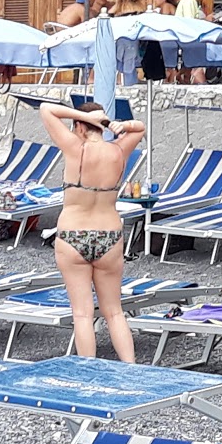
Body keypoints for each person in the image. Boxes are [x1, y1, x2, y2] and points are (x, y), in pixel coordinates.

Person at [38, 100, 146, 361]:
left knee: (82, 314)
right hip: (109, 235)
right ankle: (131, 369)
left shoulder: (76, 148)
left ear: (79, 126)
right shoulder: (119, 151)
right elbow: (140, 129)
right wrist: (115, 123)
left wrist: (87, 117)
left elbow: (45, 109)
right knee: (115, 312)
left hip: (73, 234)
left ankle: (88, 372)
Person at [174, 0, 215, 81]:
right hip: (187, 40)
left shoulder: (191, 1)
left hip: (186, 40)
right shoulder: (189, 1)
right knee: (199, 65)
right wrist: (206, 20)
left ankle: (184, 77)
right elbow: (190, 23)